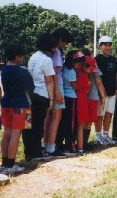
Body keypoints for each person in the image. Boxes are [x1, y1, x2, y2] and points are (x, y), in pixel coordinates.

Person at [1, 44, 34, 173]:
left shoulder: (3, 70)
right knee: (16, 135)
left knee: (7, 134)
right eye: (22, 57)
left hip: (6, 104)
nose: (23, 59)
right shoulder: (22, 72)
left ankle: (4, 163)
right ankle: (11, 164)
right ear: (17, 57)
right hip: (20, 105)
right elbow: (31, 88)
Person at [22, 33, 56, 161]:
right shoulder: (47, 60)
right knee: (38, 125)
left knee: (28, 124)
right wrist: (51, 99)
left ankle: (28, 152)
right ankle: (36, 152)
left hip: (30, 94)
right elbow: (49, 81)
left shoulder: (33, 57)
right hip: (42, 94)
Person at [43, 28, 73, 157]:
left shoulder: (49, 52)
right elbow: (54, 73)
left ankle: (46, 144)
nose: (65, 45)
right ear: (60, 40)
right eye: (64, 42)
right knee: (56, 116)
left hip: (50, 85)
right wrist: (57, 92)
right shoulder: (56, 53)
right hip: (57, 85)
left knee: (49, 117)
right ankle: (51, 146)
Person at [58, 51, 84, 153]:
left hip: (64, 96)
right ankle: (71, 145)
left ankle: (64, 144)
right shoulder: (72, 71)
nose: (80, 65)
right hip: (71, 97)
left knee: (65, 122)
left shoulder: (64, 69)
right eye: (79, 63)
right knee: (72, 123)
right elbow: (75, 86)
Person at [95, 36, 117, 145]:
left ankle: (105, 134)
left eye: (109, 45)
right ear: (100, 46)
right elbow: (97, 77)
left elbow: (116, 74)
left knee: (109, 114)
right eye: (105, 45)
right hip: (101, 93)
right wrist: (101, 92)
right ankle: (98, 136)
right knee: (100, 115)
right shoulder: (97, 59)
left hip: (112, 91)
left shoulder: (113, 59)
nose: (107, 47)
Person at [75, 56, 93, 154]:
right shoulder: (85, 76)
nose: (91, 70)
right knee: (80, 125)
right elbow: (87, 90)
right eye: (90, 67)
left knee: (78, 124)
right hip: (82, 100)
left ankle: (78, 145)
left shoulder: (77, 73)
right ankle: (80, 147)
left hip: (77, 98)